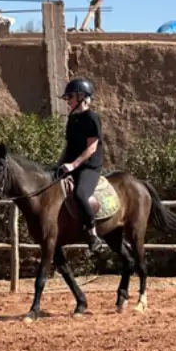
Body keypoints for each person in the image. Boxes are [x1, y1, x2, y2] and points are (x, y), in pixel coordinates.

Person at [56, 77, 109, 255]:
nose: (68, 101)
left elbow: (92, 147)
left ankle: (93, 236)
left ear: (81, 96)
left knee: (80, 194)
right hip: (72, 165)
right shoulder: (72, 119)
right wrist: (58, 165)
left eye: (70, 97)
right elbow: (69, 146)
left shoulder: (92, 118)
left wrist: (74, 165)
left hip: (89, 167)